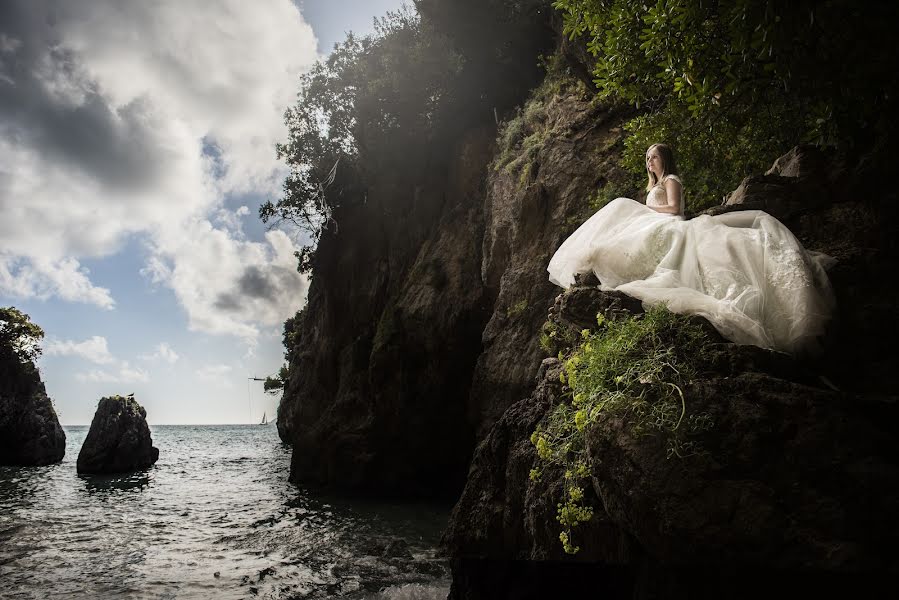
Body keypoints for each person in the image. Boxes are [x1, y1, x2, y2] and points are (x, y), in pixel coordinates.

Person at [547, 143, 835, 354]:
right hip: (658, 225)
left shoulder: (671, 180)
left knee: (623, 207)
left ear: (665, 160)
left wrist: (648, 212)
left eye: (654, 157)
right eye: (647, 158)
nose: (649, 161)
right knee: (621, 213)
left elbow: (674, 208)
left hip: (674, 224)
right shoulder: (654, 184)